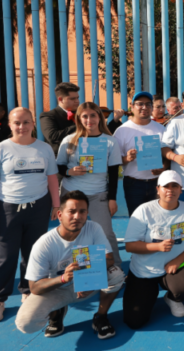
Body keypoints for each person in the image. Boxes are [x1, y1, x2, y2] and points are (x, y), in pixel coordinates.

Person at [0, 107, 60, 323]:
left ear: (33, 123)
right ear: (10, 125)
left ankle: (28, 290)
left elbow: (52, 179)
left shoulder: (44, 149)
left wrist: (56, 204)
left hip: (39, 208)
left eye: (26, 122)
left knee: (33, 254)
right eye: (17, 123)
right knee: (6, 257)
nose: (22, 126)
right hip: (6, 210)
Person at [15, 191, 124, 339]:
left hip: (87, 285)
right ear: (59, 215)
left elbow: (109, 259)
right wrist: (63, 278)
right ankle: (56, 313)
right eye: (71, 211)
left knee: (116, 274)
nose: (77, 217)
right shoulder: (44, 244)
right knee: (25, 323)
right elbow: (34, 287)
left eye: (82, 211)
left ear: (87, 213)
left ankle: (100, 316)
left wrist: (87, 282)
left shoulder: (93, 228)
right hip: (57, 289)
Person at [123, 171, 184, 328]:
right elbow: (130, 245)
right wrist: (157, 247)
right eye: (166, 186)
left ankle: (172, 298)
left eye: (175, 186)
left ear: (181, 190)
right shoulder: (144, 210)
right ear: (158, 189)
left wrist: (177, 260)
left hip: (174, 266)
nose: (170, 190)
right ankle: (149, 293)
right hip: (144, 270)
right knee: (134, 321)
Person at [56, 102, 123, 266]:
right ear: (79, 118)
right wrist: (69, 172)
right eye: (84, 116)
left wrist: (112, 199)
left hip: (97, 195)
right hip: (71, 194)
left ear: (99, 117)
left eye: (93, 115)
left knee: (106, 234)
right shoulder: (69, 140)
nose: (89, 119)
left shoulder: (110, 141)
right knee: (73, 234)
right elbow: (59, 167)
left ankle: (115, 268)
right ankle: (77, 269)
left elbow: (113, 173)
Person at [113, 91, 167, 216]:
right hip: (133, 184)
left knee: (159, 219)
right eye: (140, 104)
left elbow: (167, 154)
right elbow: (114, 160)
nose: (144, 107)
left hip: (157, 182)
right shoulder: (122, 131)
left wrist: (163, 167)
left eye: (148, 104)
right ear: (132, 106)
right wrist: (127, 158)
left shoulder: (161, 129)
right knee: (137, 220)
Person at [40, 83, 81, 155]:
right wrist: (80, 125)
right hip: (59, 158)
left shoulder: (81, 115)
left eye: (77, 98)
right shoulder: (48, 116)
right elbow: (53, 136)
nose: (77, 101)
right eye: (72, 99)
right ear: (60, 99)